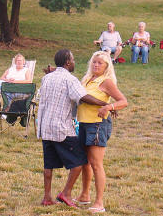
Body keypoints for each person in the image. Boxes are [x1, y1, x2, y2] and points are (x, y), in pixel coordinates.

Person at [37, 49, 111, 208]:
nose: (74, 62)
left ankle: (47, 197)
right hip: (62, 128)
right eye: (73, 59)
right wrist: (106, 104)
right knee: (79, 162)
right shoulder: (70, 80)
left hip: (45, 127)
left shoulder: (46, 78)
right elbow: (83, 97)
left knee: (48, 165)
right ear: (68, 62)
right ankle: (66, 193)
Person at [75, 51, 128, 213]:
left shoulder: (107, 82)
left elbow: (123, 101)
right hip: (83, 123)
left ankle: (99, 202)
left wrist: (108, 107)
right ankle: (84, 195)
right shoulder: (87, 79)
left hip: (98, 124)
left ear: (106, 67)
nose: (96, 65)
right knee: (84, 161)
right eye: (94, 62)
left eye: (100, 63)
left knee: (96, 163)